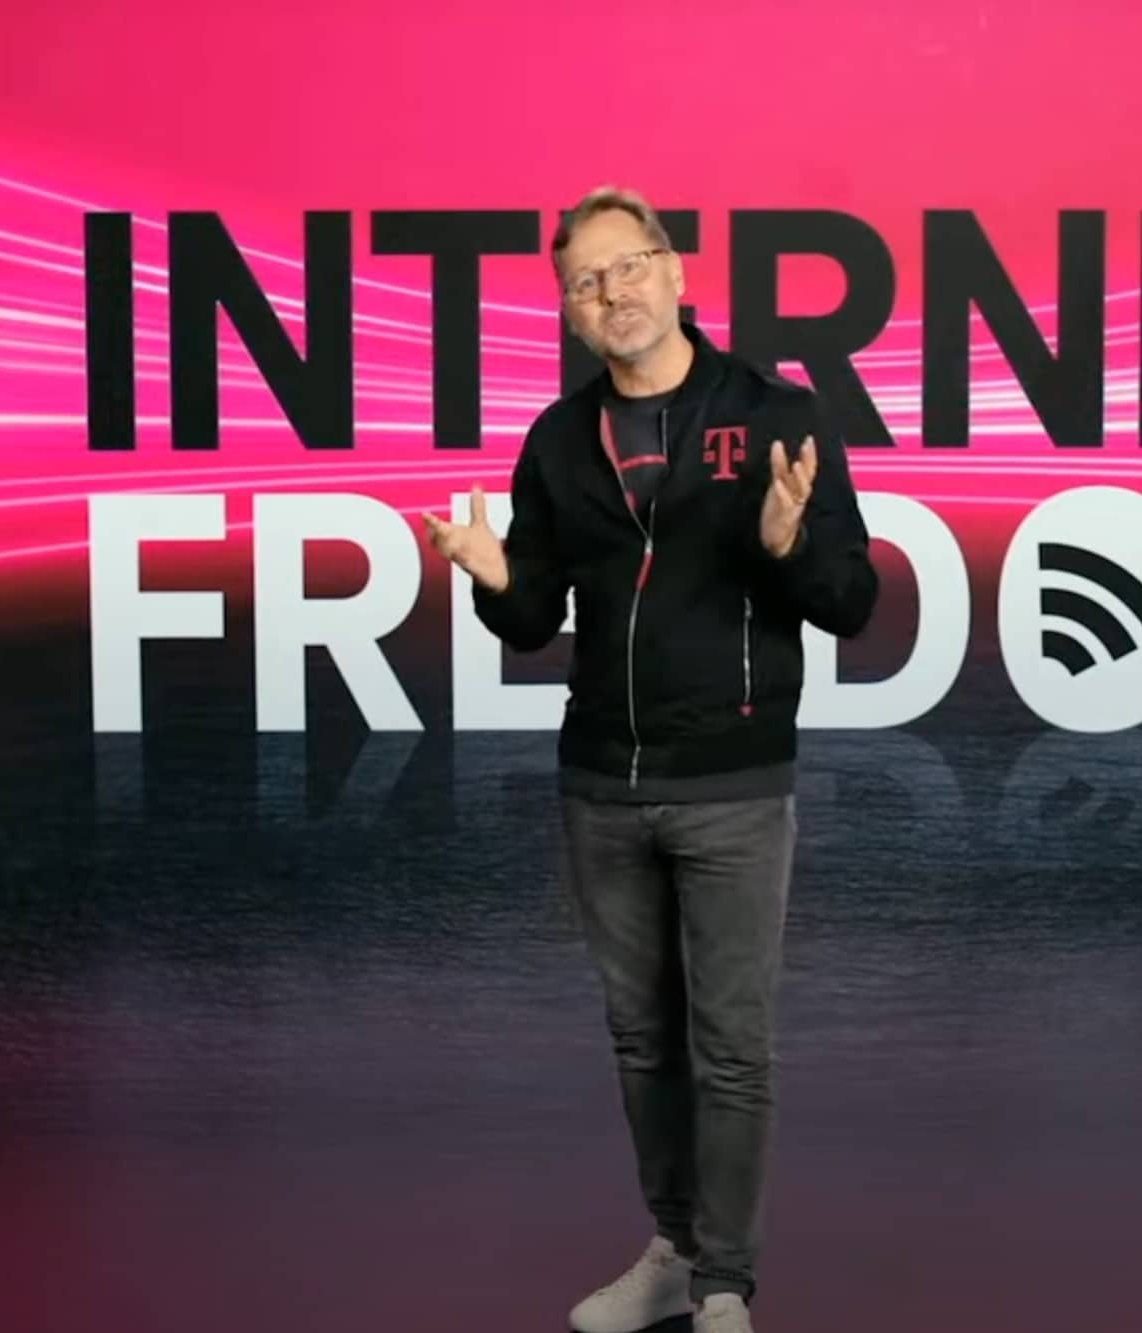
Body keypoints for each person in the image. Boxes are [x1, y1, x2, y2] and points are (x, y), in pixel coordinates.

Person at [421, 186, 878, 1333]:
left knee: (730, 1046)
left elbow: (849, 600)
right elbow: (531, 622)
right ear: (570, 312)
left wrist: (781, 546)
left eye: (625, 267)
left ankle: (725, 1282)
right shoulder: (557, 441)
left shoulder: (776, 417)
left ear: (674, 273)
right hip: (601, 788)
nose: (609, 293)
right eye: (584, 281)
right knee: (642, 1040)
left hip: (730, 784)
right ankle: (672, 1247)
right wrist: (487, 572)